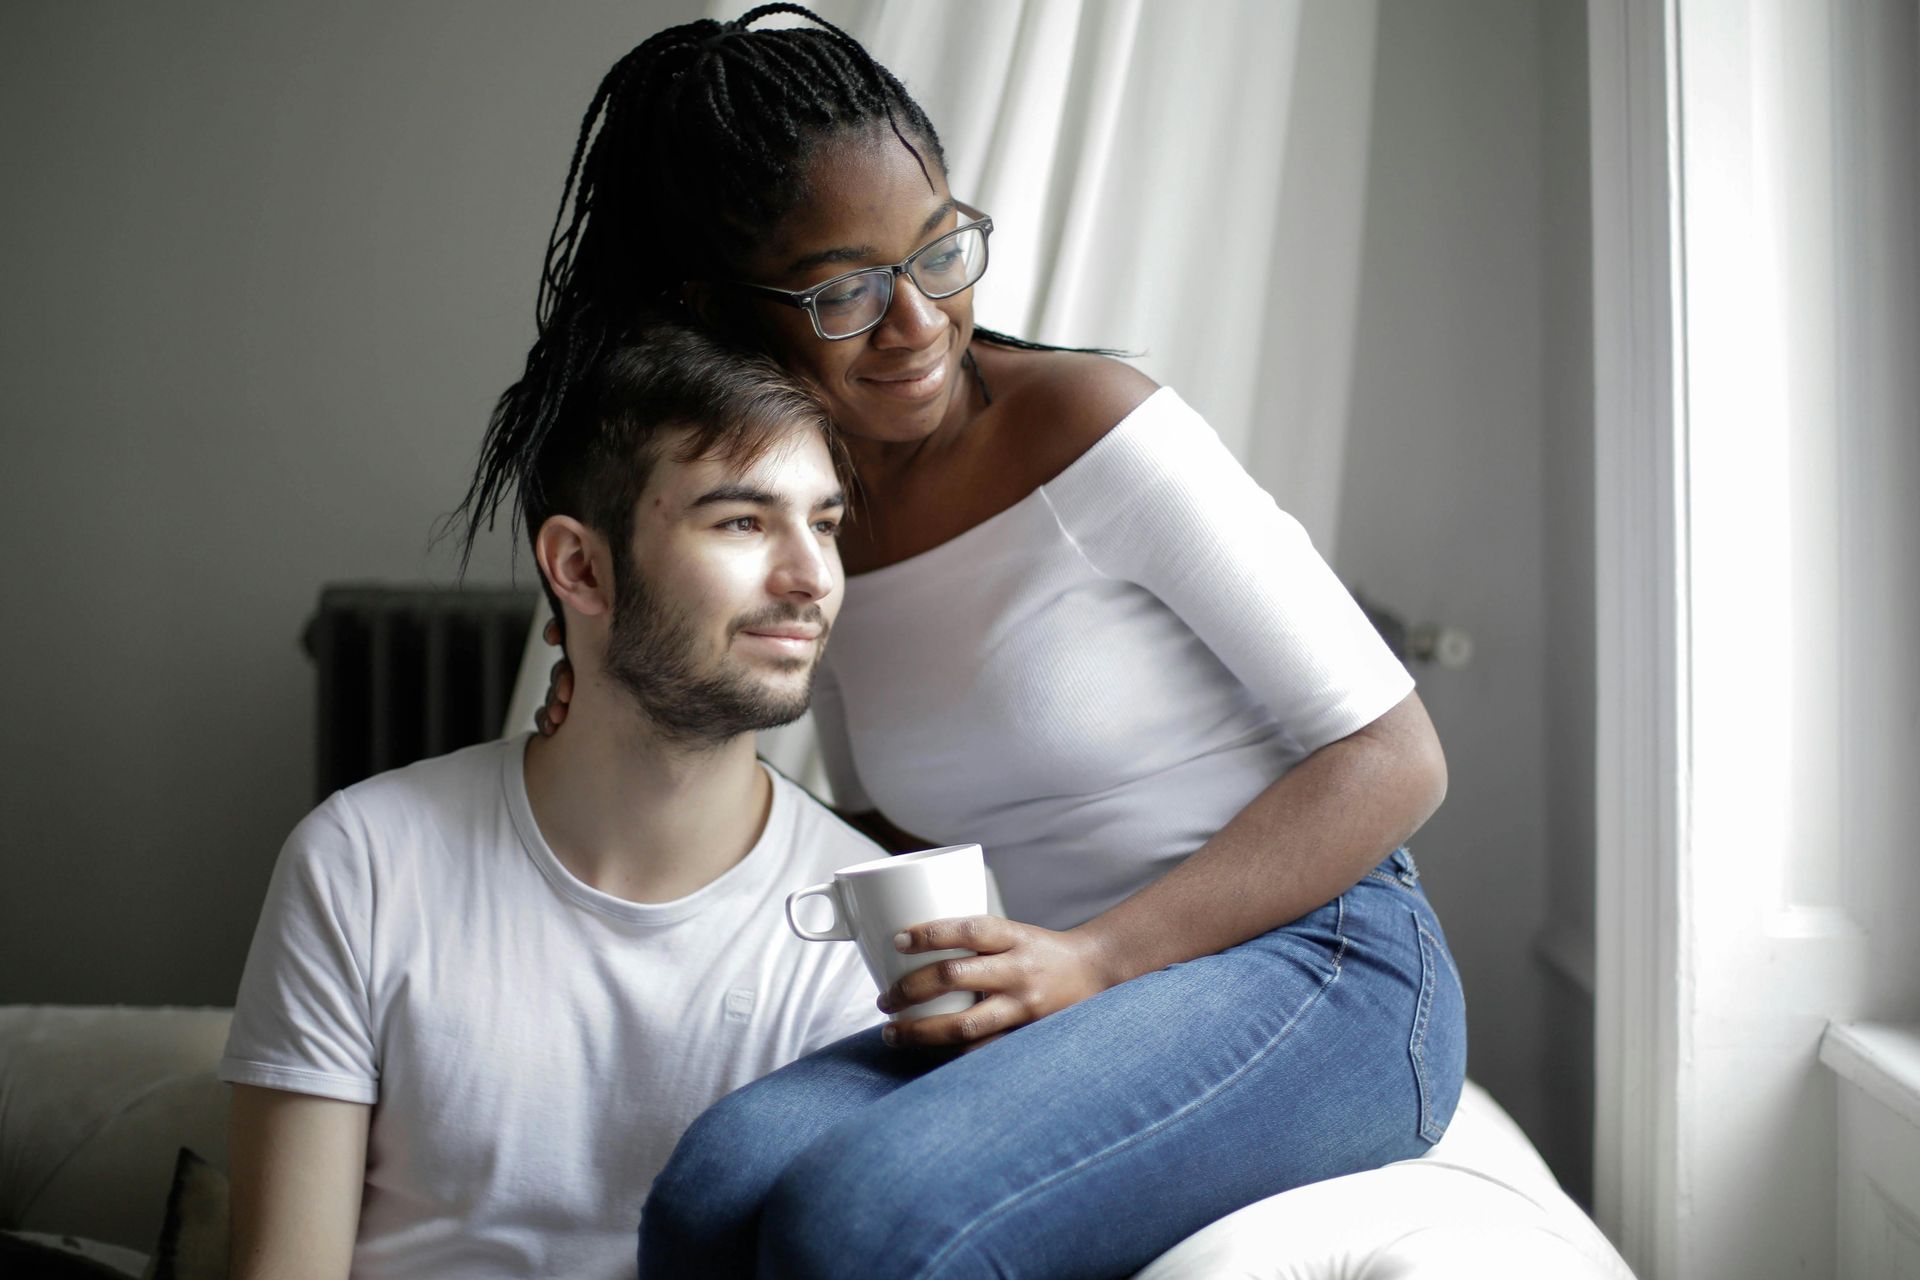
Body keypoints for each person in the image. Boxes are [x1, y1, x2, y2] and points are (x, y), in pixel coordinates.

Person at [505, 9, 1469, 1277]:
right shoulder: (810, 514)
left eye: (940, 247)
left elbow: (1399, 758)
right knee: (712, 1194)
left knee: (860, 1222)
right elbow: (898, 822)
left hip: (1325, 960)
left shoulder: (1096, 433)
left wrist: (1095, 957)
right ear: (722, 311)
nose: (917, 319)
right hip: (1054, 985)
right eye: (845, 287)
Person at [220, 325, 888, 1280]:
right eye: (741, 521)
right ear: (579, 568)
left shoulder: (865, 919)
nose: (811, 577)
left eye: (822, 523)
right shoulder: (364, 862)